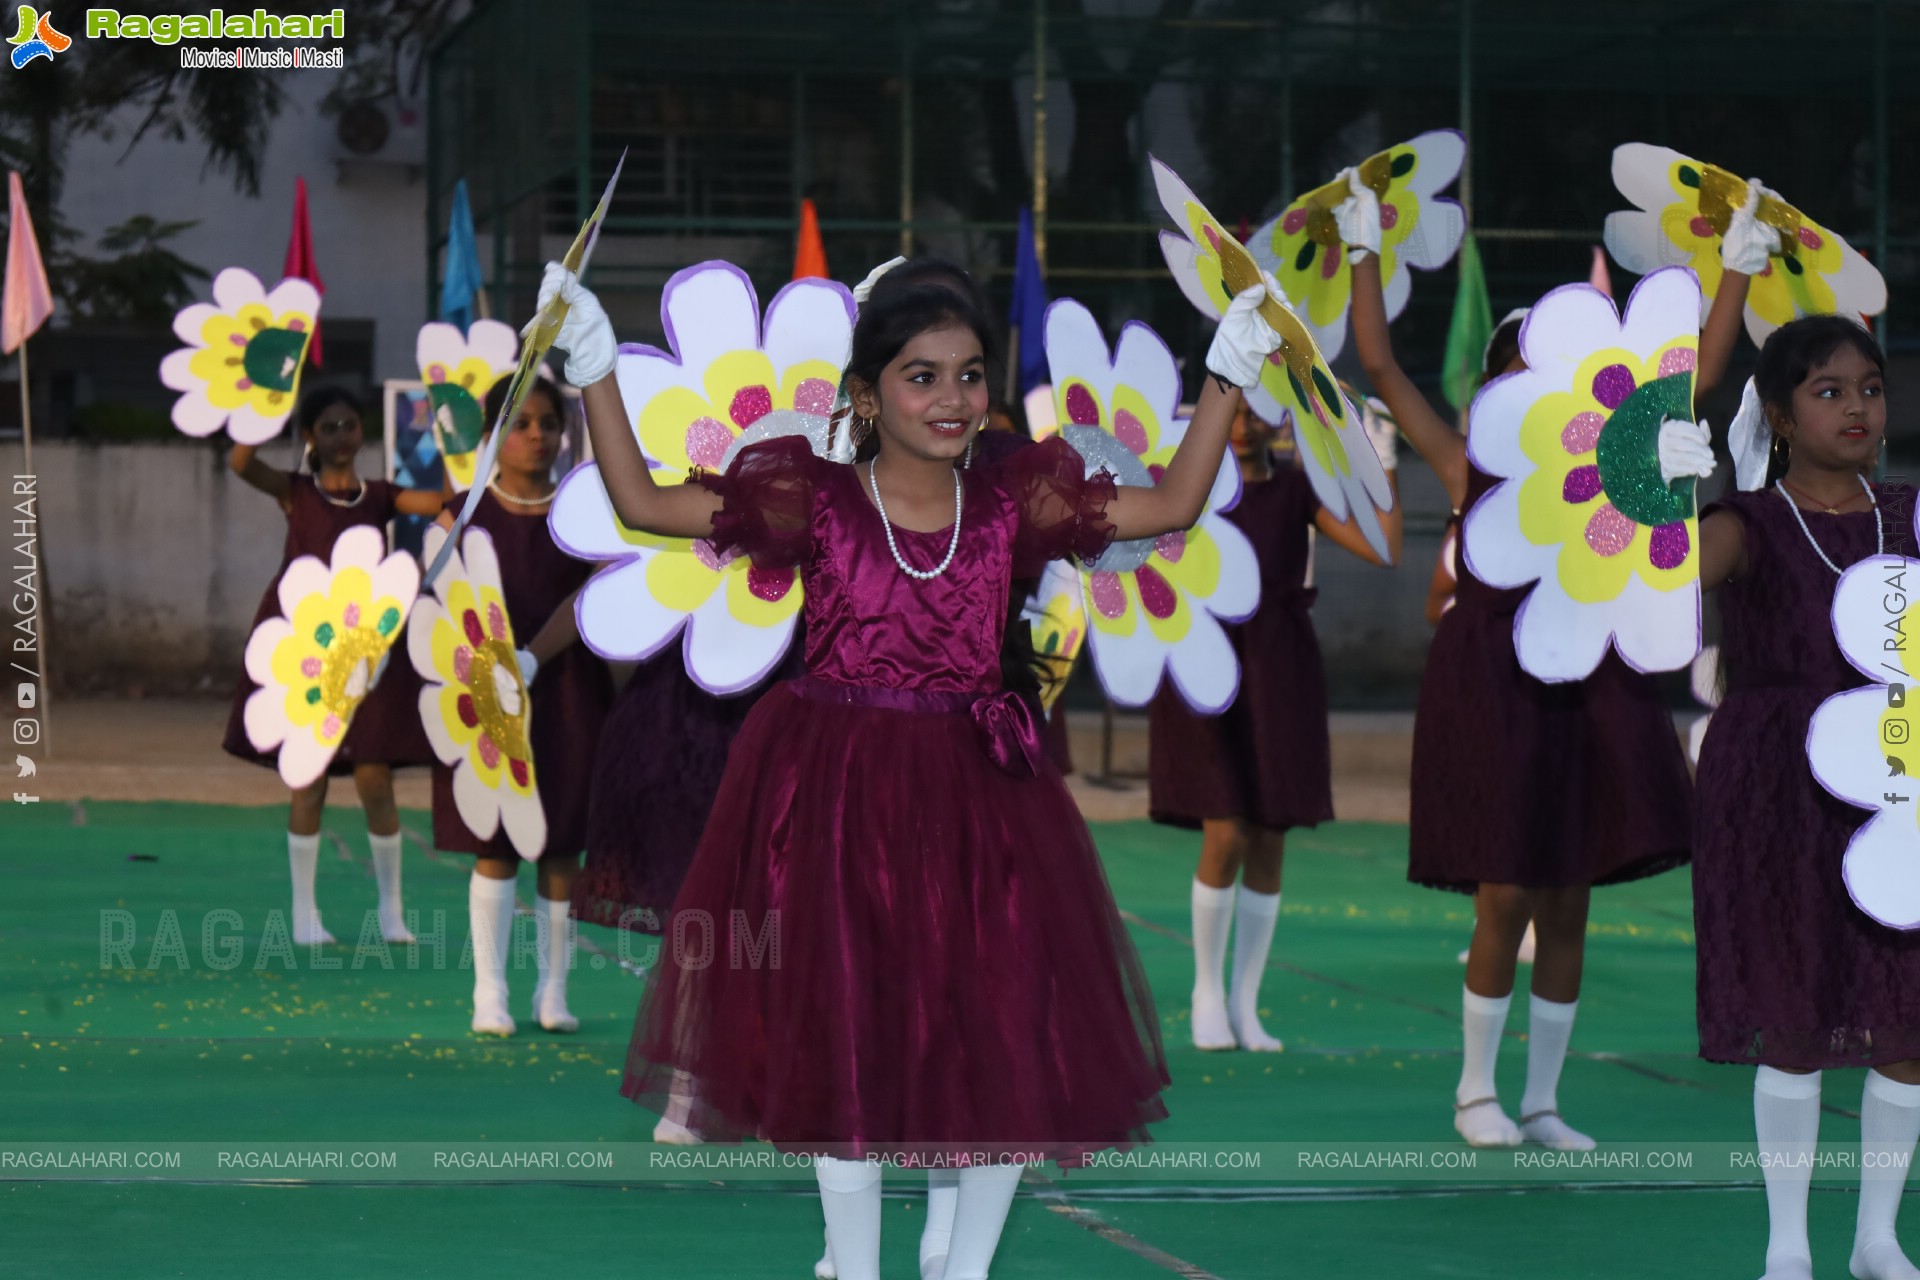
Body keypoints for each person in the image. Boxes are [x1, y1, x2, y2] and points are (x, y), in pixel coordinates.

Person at [550, 250, 1282, 1280]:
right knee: (846, 1025)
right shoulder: (813, 498)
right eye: (922, 374)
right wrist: (592, 365)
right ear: (867, 392)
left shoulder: (1012, 501)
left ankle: (964, 1266)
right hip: (838, 794)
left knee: (998, 1021)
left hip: (982, 796)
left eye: (971, 372)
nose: (952, 397)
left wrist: (1225, 374)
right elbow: (637, 503)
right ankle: (855, 1263)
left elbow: (1168, 507)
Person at [1344, 177, 1691, 1150]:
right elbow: (1378, 359)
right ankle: (1473, 1092)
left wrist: (1730, 271)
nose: (1525, 382)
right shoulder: (1469, 466)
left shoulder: (1617, 468)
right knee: (1507, 887)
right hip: (1495, 686)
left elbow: (1689, 373)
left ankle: (1540, 1099)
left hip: (1594, 682)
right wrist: (1368, 247)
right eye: (1514, 367)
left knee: (1572, 889)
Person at [1687, 315, 1920, 1280]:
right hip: (1773, 786)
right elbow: (1653, 589)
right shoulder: (1743, 524)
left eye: (1869, 387)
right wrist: (1668, 494)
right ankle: (1788, 1245)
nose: (1857, 406)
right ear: (1779, 416)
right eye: (1829, 391)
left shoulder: (1908, 514)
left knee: (1905, 1012)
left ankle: (1876, 1238)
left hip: (1895, 782)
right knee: (1789, 1011)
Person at [1148, 398, 1401, 1052]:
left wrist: (1383, 459)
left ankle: (1245, 1002)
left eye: (1260, 411)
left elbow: (1386, 547)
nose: (1246, 423)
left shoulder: (1297, 489)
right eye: (1236, 409)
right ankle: (1206, 990)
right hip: (1208, 664)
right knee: (1226, 828)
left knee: (1269, 835)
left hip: (1281, 667)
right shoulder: (1190, 489)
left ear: (1280, 421)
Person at [222, 386, 443, 946]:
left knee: (375, 779)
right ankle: (304, 917)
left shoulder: (382, 494)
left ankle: (392, 914)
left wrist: (469, 448)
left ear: (361, 431)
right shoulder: (294, 491)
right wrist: (267, 400)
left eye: (349, 424)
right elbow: (240, 462)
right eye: (328, 426)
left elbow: (447, 501)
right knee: (310, 779)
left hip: (371, 650)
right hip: (305, 648)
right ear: (309, 437)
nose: (341, 435)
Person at [433, 376, 612, 1036]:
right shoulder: (460, 515)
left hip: (566, 693)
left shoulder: (587, 515)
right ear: (493, 435)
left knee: (561, 842)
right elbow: (436, 611)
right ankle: (490, 994)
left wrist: (533, 656)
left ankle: (553, 993)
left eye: (549, 423)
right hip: (487, 700)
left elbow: (594, 597)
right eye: (522, 423)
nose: (538, 435)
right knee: (496, 839)